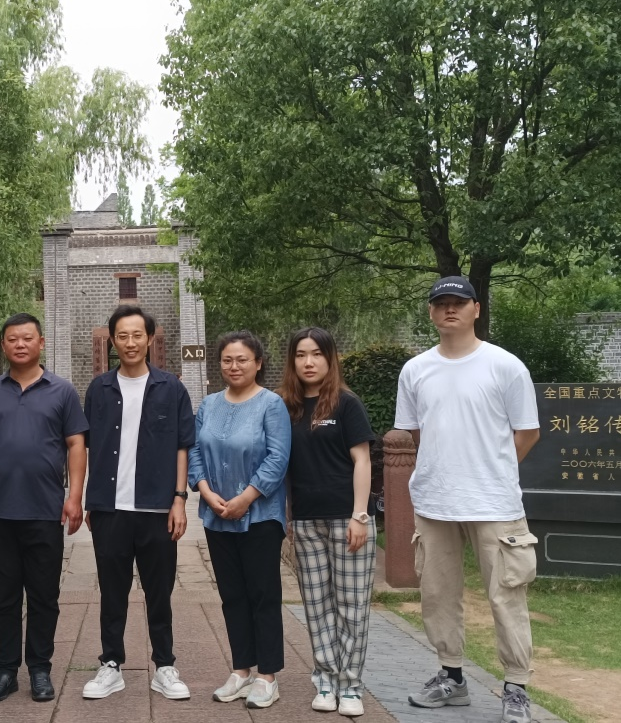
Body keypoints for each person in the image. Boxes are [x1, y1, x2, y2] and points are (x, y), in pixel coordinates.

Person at [395, 276, 540, 723]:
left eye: (459, 302)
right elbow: (417, 433)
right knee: (438, 595)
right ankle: (451, 677)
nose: (450, 309)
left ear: (476, 308)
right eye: (441, 303)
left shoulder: (505, 366)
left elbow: (527, 433)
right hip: (434, 502)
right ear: (431, 312)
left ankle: (516, 688)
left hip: (495, 503)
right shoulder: (415, 370)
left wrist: (490, 470)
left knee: (506, 597)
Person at [0, 313, 89, 703]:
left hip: (44, 511)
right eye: (13, 339)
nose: (20, 344)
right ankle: (5, 671)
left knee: (43, 595)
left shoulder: (62, 391)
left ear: (41, 343)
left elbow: (76, 444)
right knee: (2, 596)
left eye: (27, 338)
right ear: (4, 345)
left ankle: (39, 669)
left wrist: (74, 497)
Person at [81, 305, 196, 701]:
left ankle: (164, 665)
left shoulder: (171, 389)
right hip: (110, 510)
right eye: (122, 336)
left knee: (158, 592)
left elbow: (182, 446)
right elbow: (88, 447)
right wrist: (90, 499)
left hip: (157, 509)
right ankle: (111, 664)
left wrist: (179, 499)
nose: (130, 343)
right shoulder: (99, 389)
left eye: (137, 335)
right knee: (112, 592)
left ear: (149, 339)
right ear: (113, 341)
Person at [188, 331, 291, 709]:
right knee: (232, 595)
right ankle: (242, 670)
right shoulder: (209, 404)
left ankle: (267, 676)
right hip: (217, 514)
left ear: (258, 363)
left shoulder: (271, 404)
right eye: (227, 360)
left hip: (260, 514)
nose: (234, 366)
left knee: (263, 594)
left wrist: (246, 497)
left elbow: (278, 458)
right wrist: (205, 490)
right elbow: (195, 450)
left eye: (242, 360)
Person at [278, 327, 376, 717]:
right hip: (305, 521)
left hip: (347, 519)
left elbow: (362, 460)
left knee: (352, 606)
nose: (309, 362)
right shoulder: (286, 407)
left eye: (317, 354)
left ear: (330, 358)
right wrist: (288, 517)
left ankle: (350, 686)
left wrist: (359, 515)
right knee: (316, 605)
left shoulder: (346, 404)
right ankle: (325, 680)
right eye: (301, 354)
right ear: (292, 360)